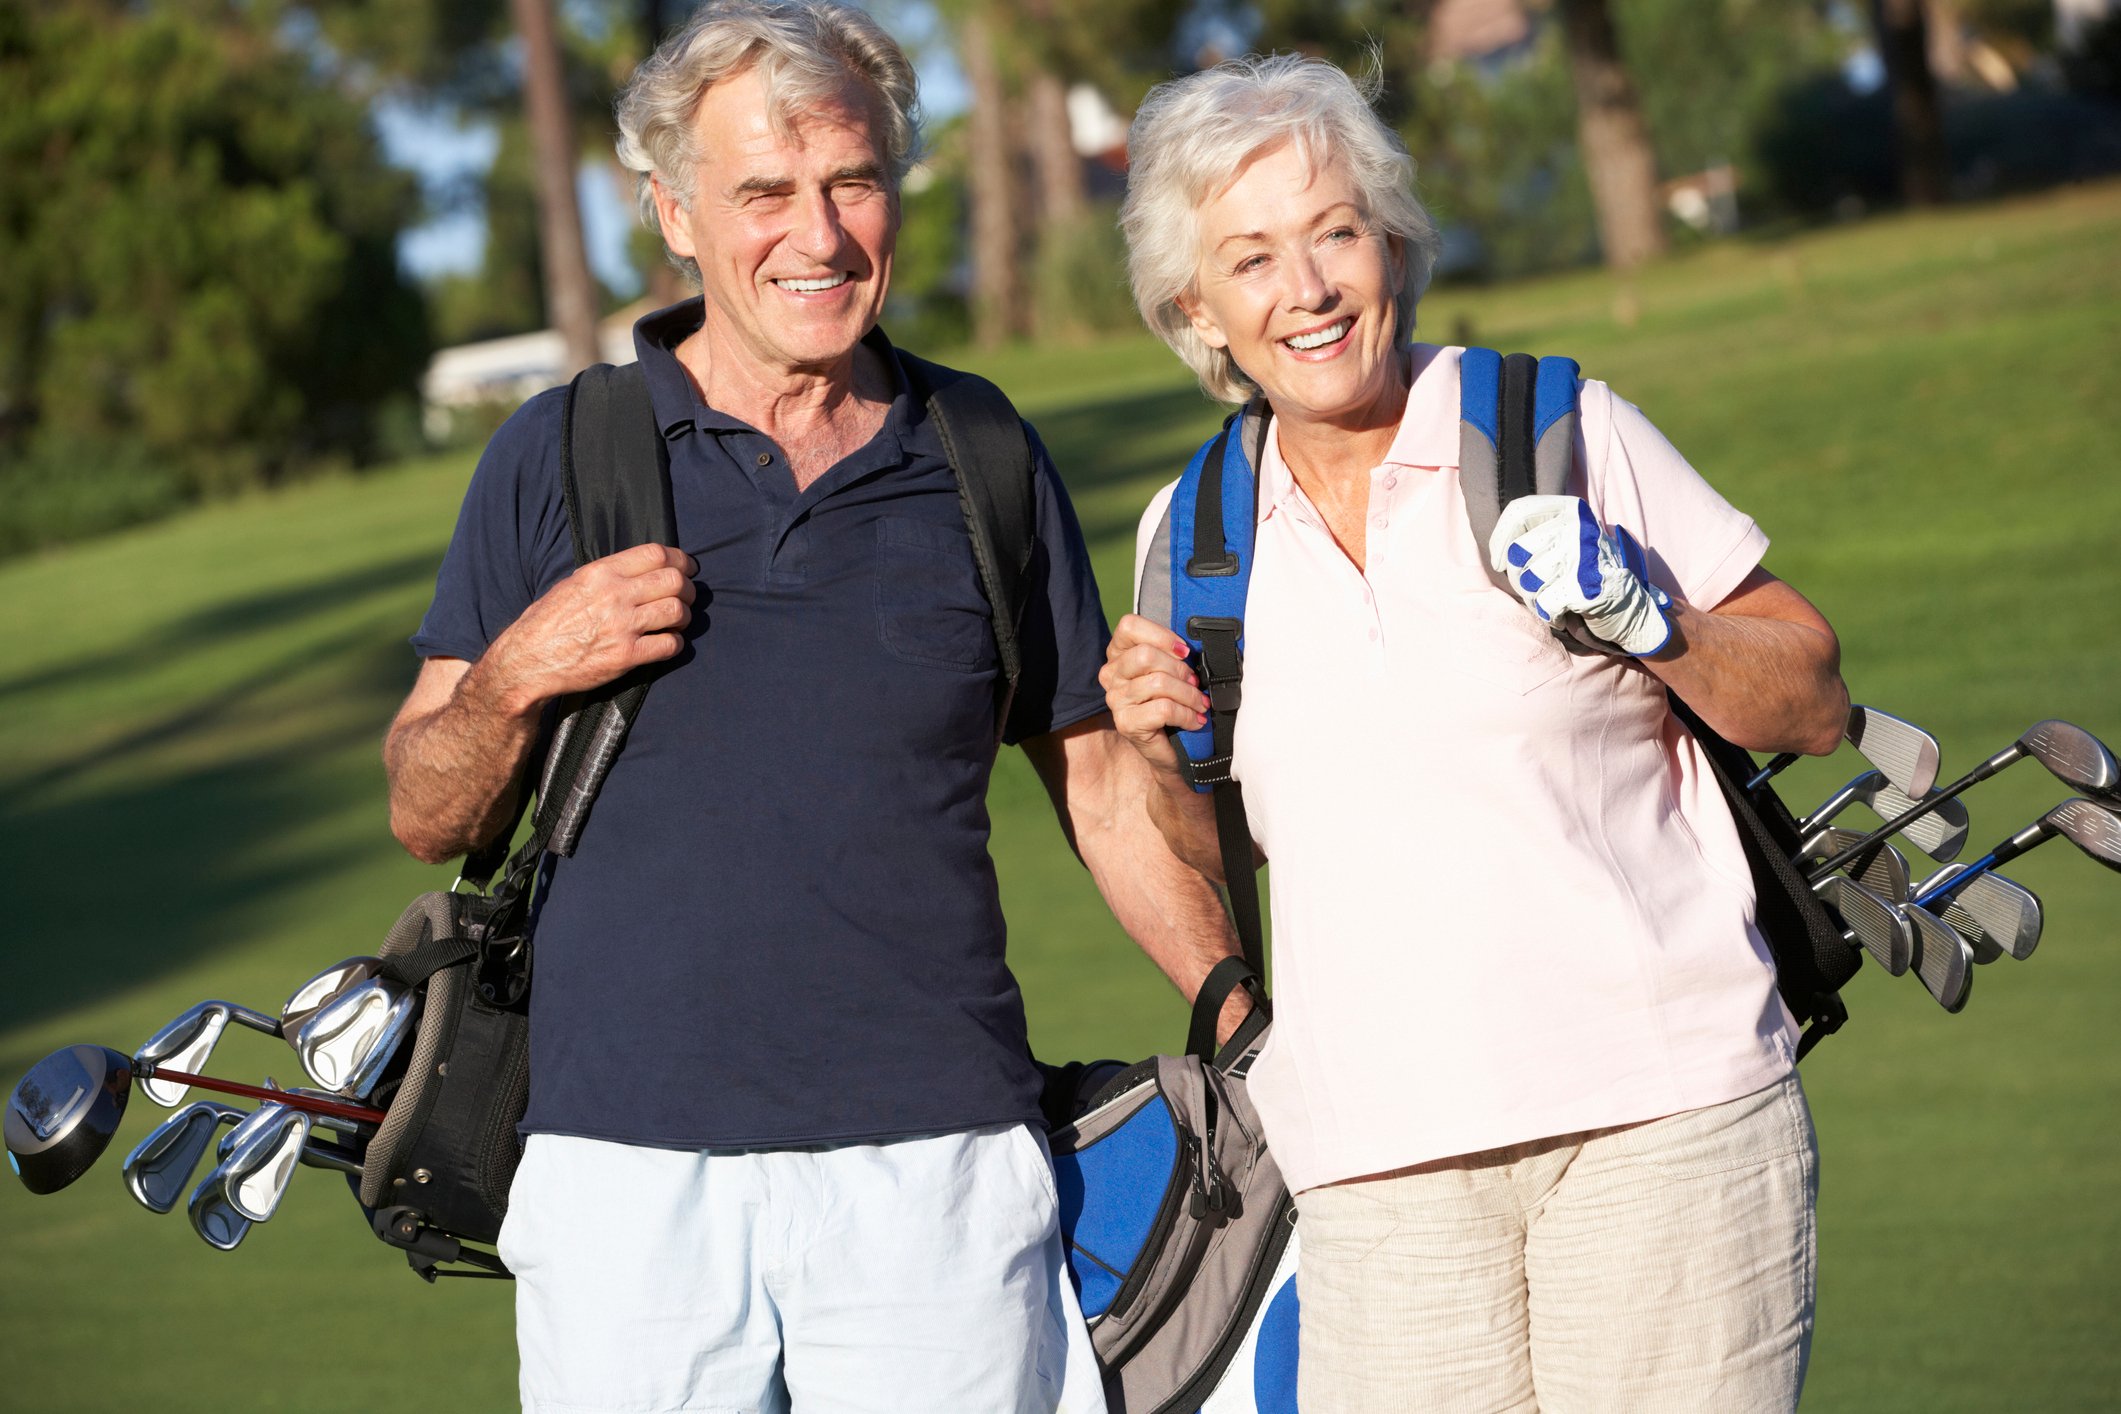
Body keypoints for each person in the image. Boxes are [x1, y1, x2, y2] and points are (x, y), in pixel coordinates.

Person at [383, 4, 1241, 1410]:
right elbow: (427, 809)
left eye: (852, 180)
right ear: (670, 213)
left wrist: (1230, 1004)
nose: (820, 235)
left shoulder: (981, 456)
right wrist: (518, 669)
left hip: (938, 1176)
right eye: (763, 193)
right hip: (624, 1188)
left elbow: (1094, 788)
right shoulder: (560, 452)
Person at [1102, 54, 1849, 1413]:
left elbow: (1809, 692)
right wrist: (1159, 753)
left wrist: (1651, 618)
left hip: (1660, 1127)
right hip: (1375, 1177)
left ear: (1393, 242)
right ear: (1193, 308)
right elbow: (1215, 846)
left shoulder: (1548, 427)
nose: (1309, 289)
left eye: (1336, 232)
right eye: (1252, 258)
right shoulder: (1188, 537)